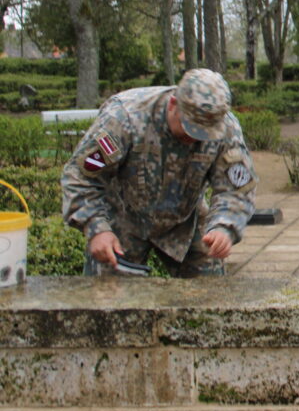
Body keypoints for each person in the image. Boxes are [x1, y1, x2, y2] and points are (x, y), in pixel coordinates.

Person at [62, 68, 256, 277]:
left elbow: (236, 188)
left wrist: (223, 227)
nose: (196, 139)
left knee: (210, 297)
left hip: (186, 221)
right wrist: (96, 227)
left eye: (204, 134)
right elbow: (81, 176)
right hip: (122, 219)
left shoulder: (225, 127)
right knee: (108, 302)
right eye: (191, 129)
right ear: (173, 105)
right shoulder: (124, 118)